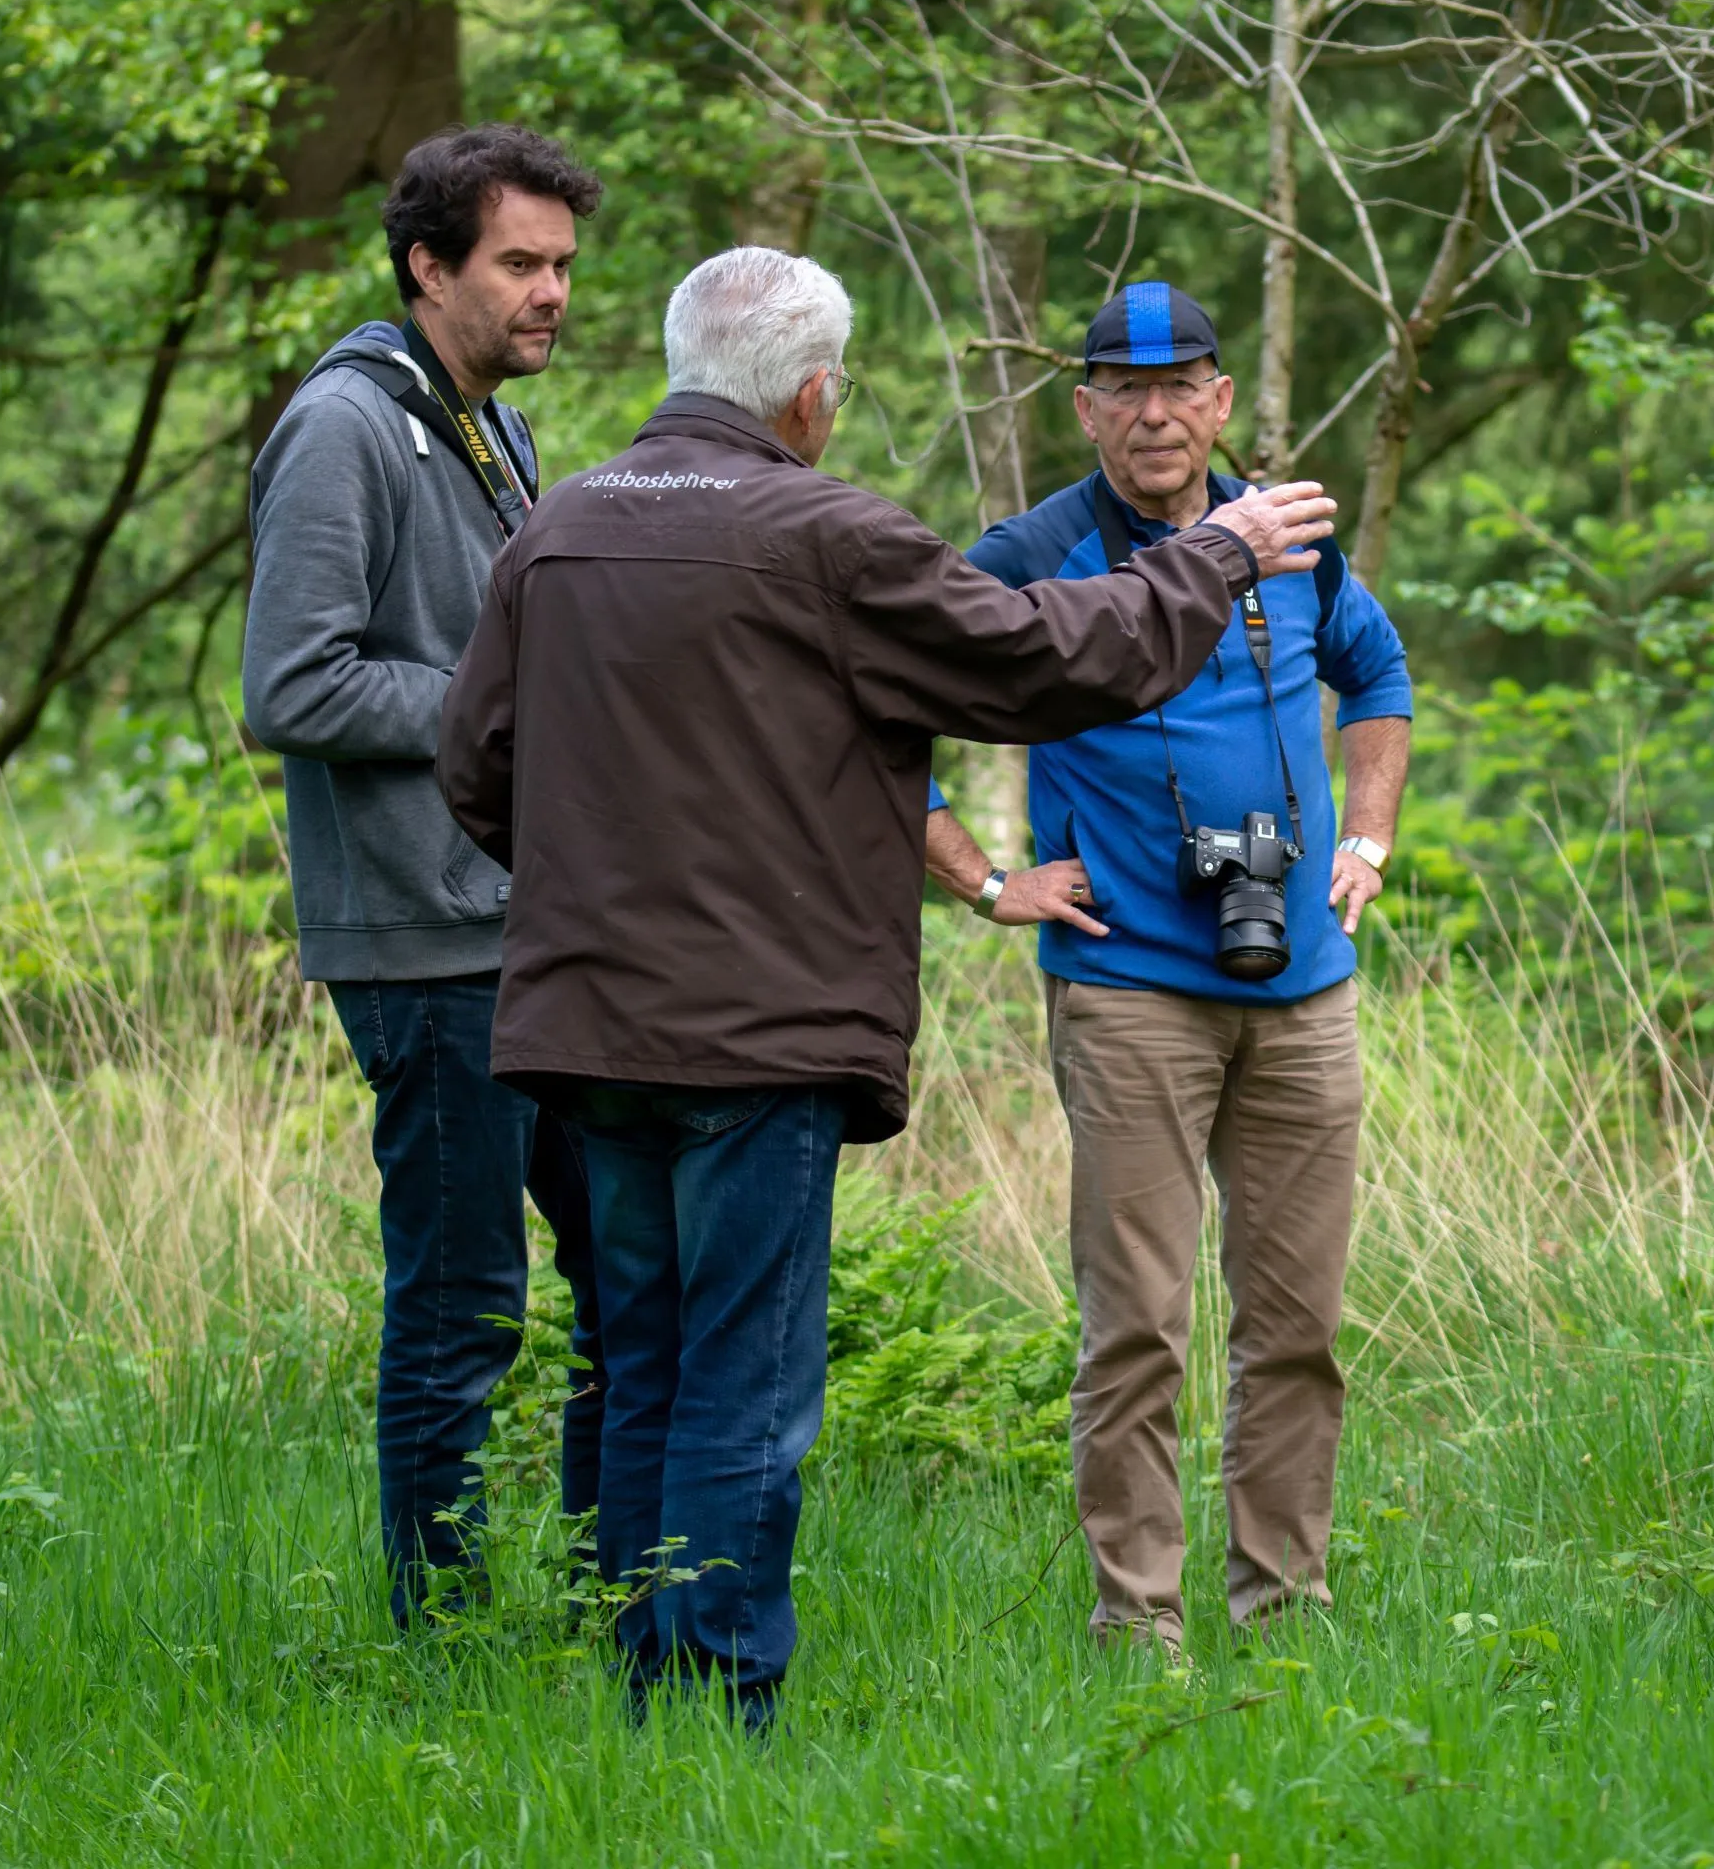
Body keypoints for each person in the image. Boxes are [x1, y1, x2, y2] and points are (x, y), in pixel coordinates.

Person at [434, 246, 1338, 1729]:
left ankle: (641, 1689)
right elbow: (1055, 660)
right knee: (740, 1377)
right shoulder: (827, 536)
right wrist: (1221, 554)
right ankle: (717, 1709)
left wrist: (609, 894)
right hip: (757, 1037)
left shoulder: (560, 530)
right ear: (808, 396)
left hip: (586, 1028)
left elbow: (478, 769)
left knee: (642, 1356)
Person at [922, 282, 1412, 1655]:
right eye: (1123, 390)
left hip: (1306, 985)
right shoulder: (1032, 552)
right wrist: (981, 881)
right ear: (1083, 409)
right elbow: (882, 711)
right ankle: (1138, 1631)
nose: (1153, 411)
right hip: (1127, 983)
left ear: (1217, 401)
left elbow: (1379, 681)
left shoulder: (1291, 537)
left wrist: (1367, 835)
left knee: (1299, 1327)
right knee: (1138, 1328)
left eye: (1179, 383)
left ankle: (1284, 1616)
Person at [241, 124, 611, 1627]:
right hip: (421, 947)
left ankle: (619, 1592)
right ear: (426, 264)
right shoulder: (347, 424)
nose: (551, 296)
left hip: (528, 936)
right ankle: (435, 1636)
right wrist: (507, 709)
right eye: (519, 265)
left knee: (624, 1274)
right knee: (462, 1312)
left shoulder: (491, 426)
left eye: (565, 267)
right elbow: (293, 688)